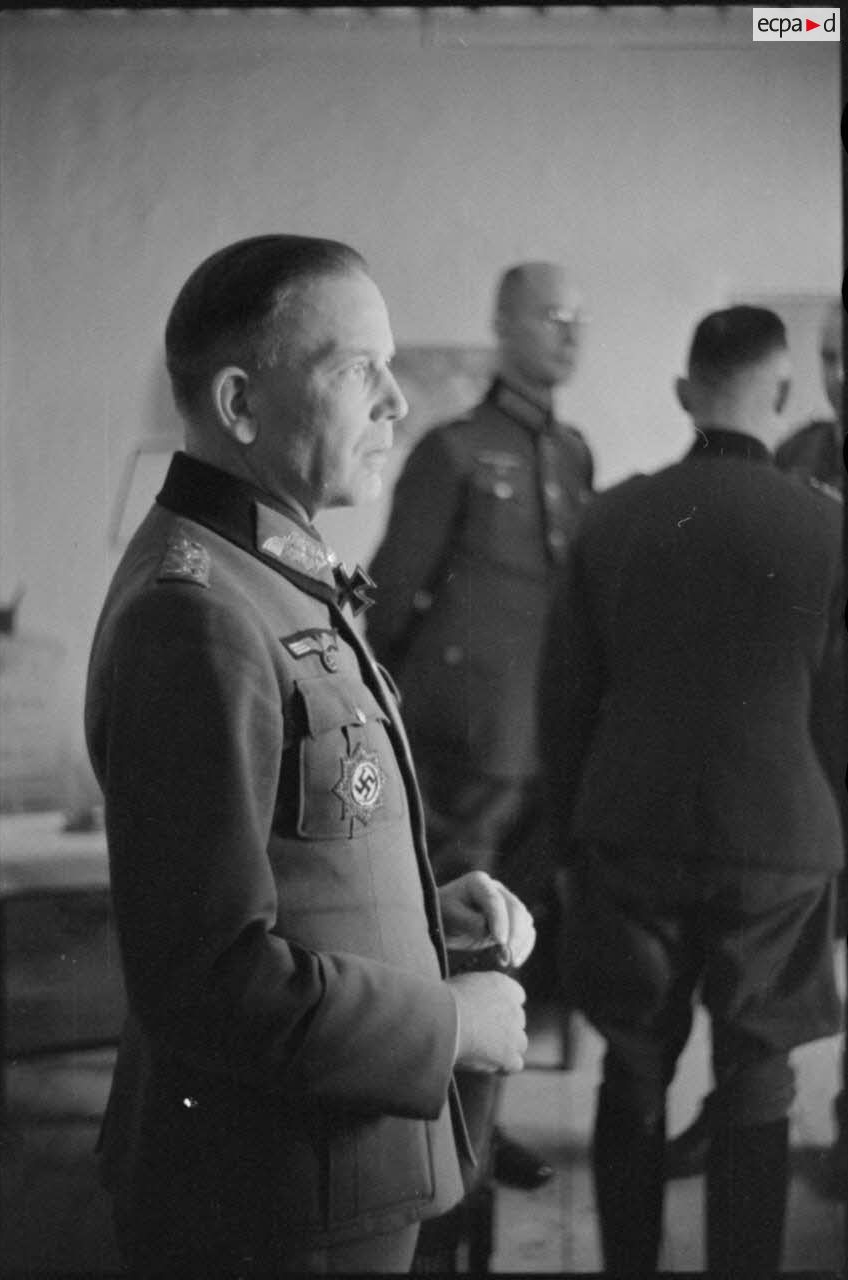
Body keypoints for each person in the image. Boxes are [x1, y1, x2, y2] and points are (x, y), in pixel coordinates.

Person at [84, 235, 537, 1276]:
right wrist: (447, 1024)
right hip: (274, 1194)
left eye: (390, 367)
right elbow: (204, 974)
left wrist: (422, 914)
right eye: (354, 370)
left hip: (324, 1169)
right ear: (240, 404)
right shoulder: (197, 612)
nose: (396, 402)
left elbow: (291, 857)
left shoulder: (265, 572)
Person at [538, 306, 844, 1275]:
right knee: (758, 1075)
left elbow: (562, 703)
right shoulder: (828, 527)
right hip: (781, 841)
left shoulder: (611, 517)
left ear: (683, 392)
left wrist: (565, 841)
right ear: (782, 393)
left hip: (630, 828)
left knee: (630, 1065)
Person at [366, 261, 593, 1226]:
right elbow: (388, 603)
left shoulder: (571, 452)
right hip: (465, 746)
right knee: (459, 944)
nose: (570, 333)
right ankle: (440, 1156)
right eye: (551, 316)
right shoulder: (453, 449)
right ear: (503, 325)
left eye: (578, 319)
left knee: (515, 948)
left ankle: (479, 1132)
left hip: (544, 745)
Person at [665, 296, 845, 1185]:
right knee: (765, 988)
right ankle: (736, 1115)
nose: (840, 377)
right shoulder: (801, 455)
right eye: (831, 357)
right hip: (794, 761)